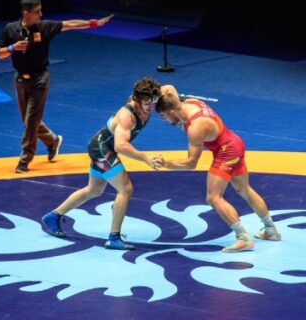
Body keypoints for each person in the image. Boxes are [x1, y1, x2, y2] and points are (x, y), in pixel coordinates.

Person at [152, 86, 279, 253]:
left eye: (163, 116)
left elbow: (191, 163)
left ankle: (243, 238)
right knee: (244, 189)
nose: (164, 120)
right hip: (234, 142)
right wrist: (153, 94)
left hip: (226, 151)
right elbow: (168, 88)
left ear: (173, 112)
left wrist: (165, 163)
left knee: (213, 198)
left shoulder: (196, 127)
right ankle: (271, 230)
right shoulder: (190, 102)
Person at [40, 77, 163, 250]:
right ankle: (113, 238)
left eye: (154, 100)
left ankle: (53, 216)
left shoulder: (150, 98)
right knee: (125, 189)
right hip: (102, 149)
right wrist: (146, 158)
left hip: (103, 146)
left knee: (94, 190)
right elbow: (120, 146)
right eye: (147, 102)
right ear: (137, 99)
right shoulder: (127, 116)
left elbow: (169, 89)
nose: (151, 105)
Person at [0, 0, 114, 173]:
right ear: (26, 13)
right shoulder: (10, 29)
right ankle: (52, 141)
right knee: (28, 120)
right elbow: (0, 54)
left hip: (40, 79)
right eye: (37, 11)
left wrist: (94, 23)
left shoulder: (45, 27)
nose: (41, 14)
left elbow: (70, 24)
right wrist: (13, 48)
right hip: (20, 80)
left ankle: (24, 159)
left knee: (31, 122)